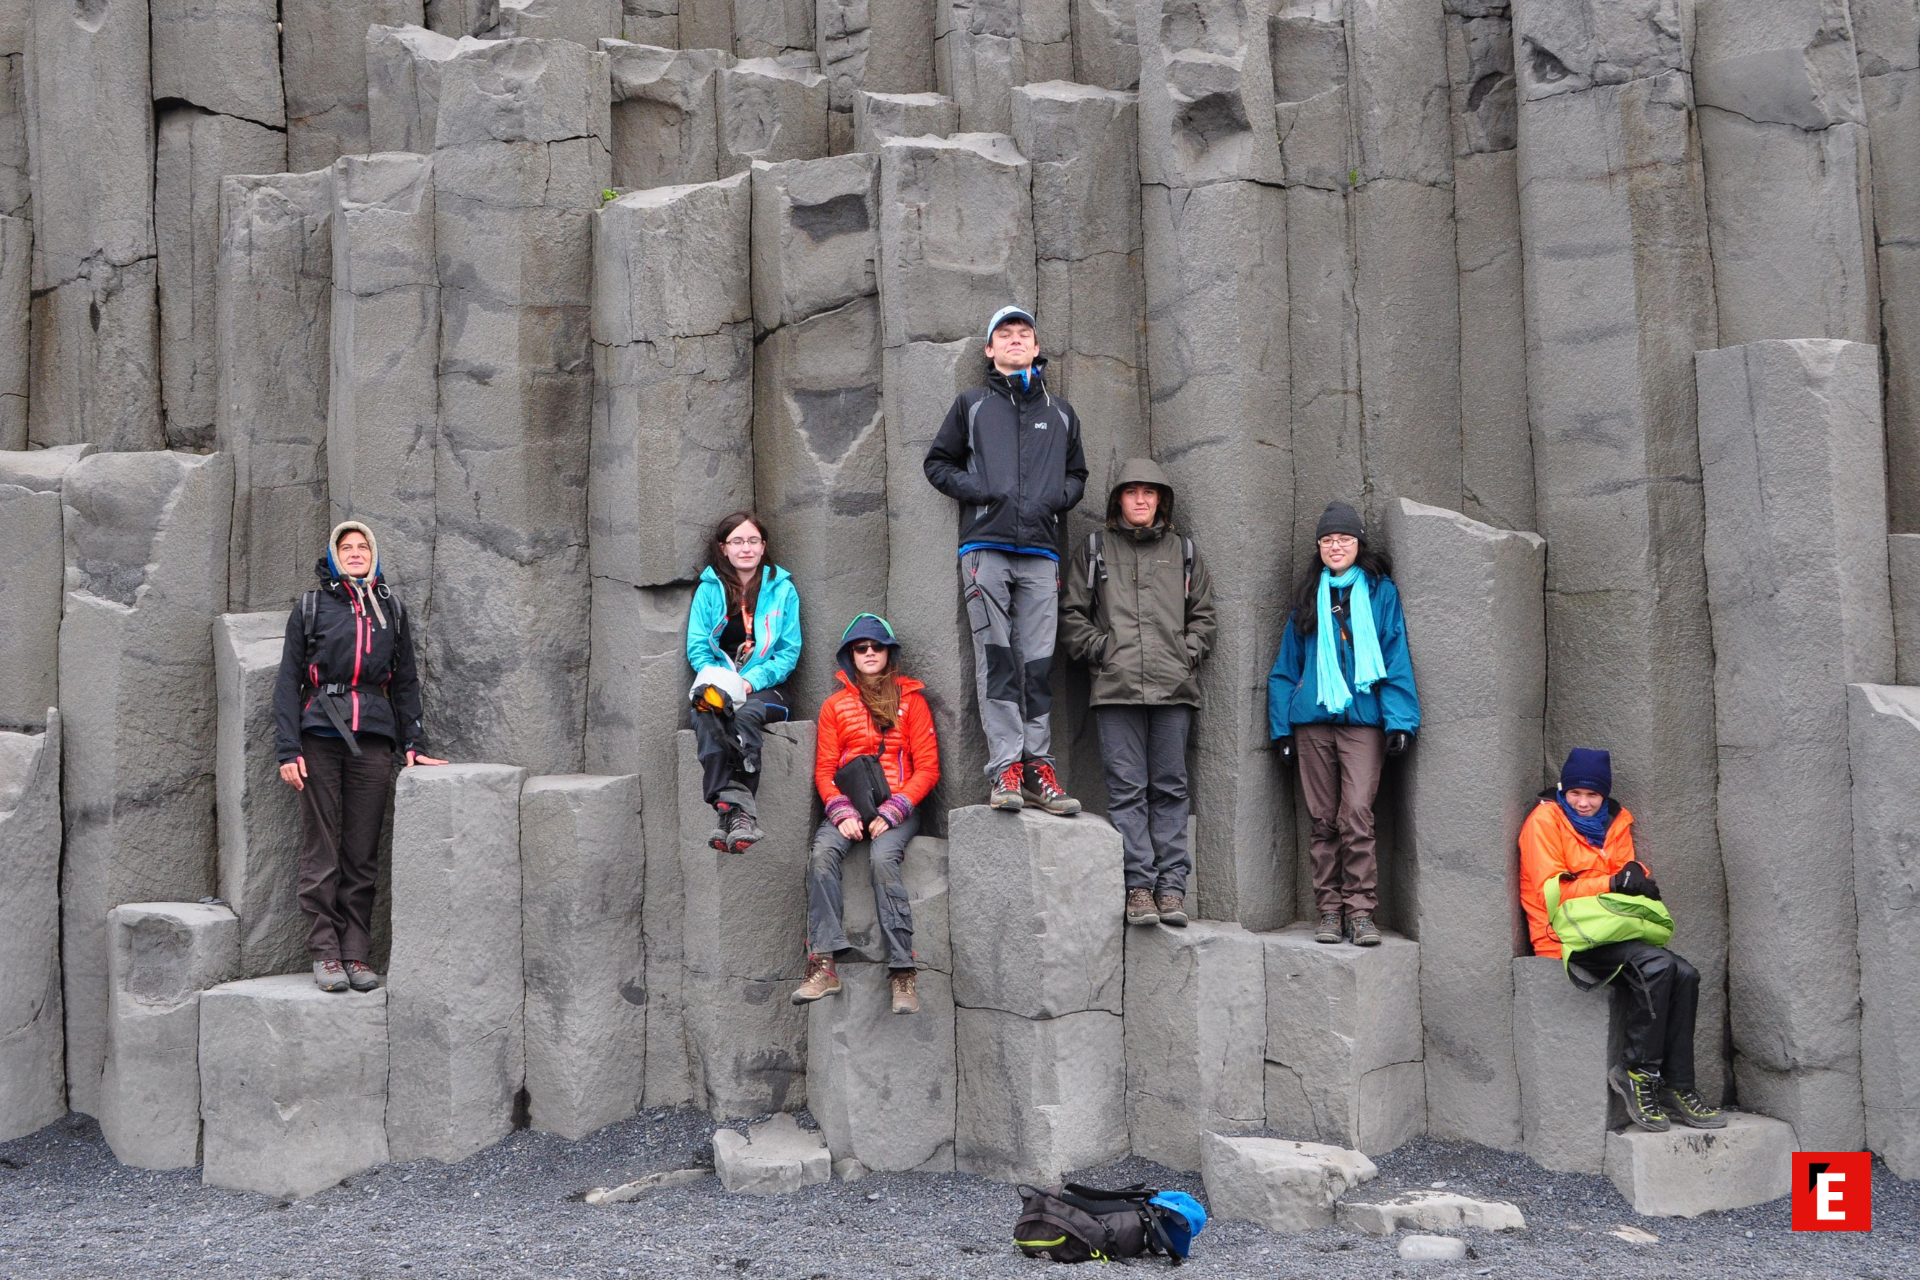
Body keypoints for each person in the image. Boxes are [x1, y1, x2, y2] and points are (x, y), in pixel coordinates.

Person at [923, 304, 1089, 815]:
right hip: (985, 550)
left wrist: (1053, 499)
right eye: (1005, 334)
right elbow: (937, 463)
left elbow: (1078, 475)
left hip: (1041, 552)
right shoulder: (971, 404)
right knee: (997, 663)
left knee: (1037, 664)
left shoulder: (1060, 412)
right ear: (990, 350)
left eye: (1024, 333)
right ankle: (1005, 771)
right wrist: (981, 491)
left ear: (1036, 348)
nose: (1016, 339)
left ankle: (1040, 768)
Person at [274, 522, 447, 993]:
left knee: (362, 853)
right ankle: (326, 955)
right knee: (322, 849)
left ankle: (356, 954)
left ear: (373, 555)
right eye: (346, 548)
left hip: (373, 737)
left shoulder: (391, 608)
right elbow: (288, 681)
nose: (354, 553)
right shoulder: (311, 607)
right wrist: (288, 749)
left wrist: (414, 744)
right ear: (333, 556)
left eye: (362, 546)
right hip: (319, 736)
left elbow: (406, 681)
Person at [1519, 748, 1725, 1132]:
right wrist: (1613, 882)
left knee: (1686, 973)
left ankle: (1678, 1086)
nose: (1583, 802)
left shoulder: (1616, 823)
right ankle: (1638, 1074)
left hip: (1609, 930)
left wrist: (1639, 880)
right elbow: (1553, 892)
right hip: (1564, 935)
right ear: (1564, 789)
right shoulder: (1544, 820)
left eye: (1592, 795)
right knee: (1658, 965)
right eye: (1576, 793)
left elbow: (1623, 878)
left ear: (1604, 796)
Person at [1060, 459, 1217, 928]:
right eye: (1132, 492)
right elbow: (1071, 614)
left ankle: (1172, 889)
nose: (1141, 500)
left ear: (1162, 500)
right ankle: (1139, 889)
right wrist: (1102, 651)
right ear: (1118, 500)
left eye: (1150, 492)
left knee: (1171, 789)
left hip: (1174, 689)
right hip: (1116, 689)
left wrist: (1184, 653)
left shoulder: (1184, 551)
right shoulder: (1094, 549)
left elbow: (1205, 617)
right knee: (1127, 792)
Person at [1267, 501, 1419, 947]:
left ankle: (1361, 912)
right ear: (1319, 547)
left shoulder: (1379, 592)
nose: (1336, 547)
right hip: (1312, 721)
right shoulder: (1307, 595)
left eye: (1344, 539)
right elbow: (1285, 667)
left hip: (1363, 722)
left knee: (1356, 814)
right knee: (1322, 820)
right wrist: (1281, 730)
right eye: (1328, 540)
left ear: (1358, 544)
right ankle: (1329, 912)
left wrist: (1400, 721)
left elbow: (1395, 654)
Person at [791, 614, 940, 1015]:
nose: (870, 653)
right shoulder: (834, 706)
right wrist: (840, 811)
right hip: (850, 806)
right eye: (861, 648)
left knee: (882, 860)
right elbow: (824, 769)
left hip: (899, 805)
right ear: (849, 656)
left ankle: (902, 972)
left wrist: (894, 810)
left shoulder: (913, 702)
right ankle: (823, 966)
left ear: (889, 652)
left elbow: (928, 768)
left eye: (877, 646)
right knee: (822, 855)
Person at [686, 511, 801, 854]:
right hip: (719, 681)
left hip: (769, 687)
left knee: (745, 714)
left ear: (763, 546)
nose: (746, 548)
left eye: (753, 541)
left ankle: (730, 812)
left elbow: (788, 652)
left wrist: (749, 682)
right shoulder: (709, 590)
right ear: (723, 548)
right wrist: (720, 682)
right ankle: (737, 815)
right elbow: (698, 647)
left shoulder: (783, 590)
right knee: (705, 713)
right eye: (737, 541)